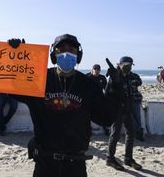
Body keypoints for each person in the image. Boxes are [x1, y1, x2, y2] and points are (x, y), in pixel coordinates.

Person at [8, 34, 120, 177]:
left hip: (75, 165)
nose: (66, 53)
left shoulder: (89, 86)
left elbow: (106, 118)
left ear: (78, 56)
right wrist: (16, 59)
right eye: (60, 50)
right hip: (44, 163)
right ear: (53, 56)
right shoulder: (39, 81)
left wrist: (115, 89)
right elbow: (11, 88)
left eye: (72, 50)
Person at [106, 56, 142, 171]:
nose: (128, 67)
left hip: (128, 108)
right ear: (120, 64)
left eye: (130, 65)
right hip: (117, 110)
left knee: (131, 133)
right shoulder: (114, 76)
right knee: (115, 135)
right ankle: (110, 159)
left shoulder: (131, 76)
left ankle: (128, 159)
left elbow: (137, 83)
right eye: (126, 65)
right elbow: (107, 94)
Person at [86, 64, 109, 136]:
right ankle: (88, 129)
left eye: (98, 69)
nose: (96, 71)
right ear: (92, 69)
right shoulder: (87, 77)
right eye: (95, 69)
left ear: (100, 70)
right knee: (86, 114)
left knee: (104, 112)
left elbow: (106, 89)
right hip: (89, 99)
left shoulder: (102, 77)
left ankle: (105, 128)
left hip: (100, 99)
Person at [130, 72, 144, 141]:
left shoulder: (134, 75)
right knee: (131, 117)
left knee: (137, 117)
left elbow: (140, 82)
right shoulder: (120, 75)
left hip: (135, 99)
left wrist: (132, 81)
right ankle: (137, 132)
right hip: (125, 100)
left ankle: (139, 133)